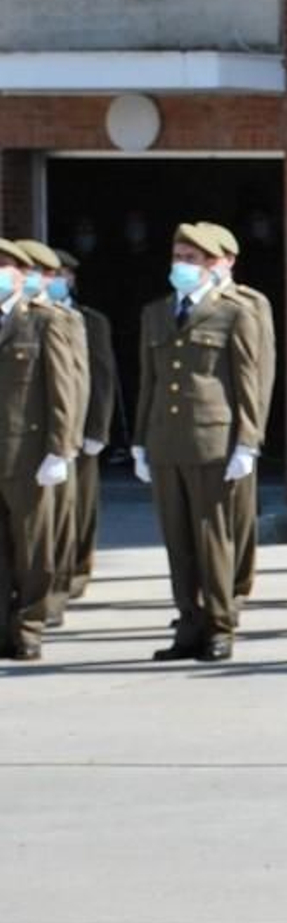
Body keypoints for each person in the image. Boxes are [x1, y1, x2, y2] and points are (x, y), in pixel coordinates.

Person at [132, 223, 266, 663]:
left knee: (213, 539)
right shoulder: (156, 313)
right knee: (178, 540)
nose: (181, 266)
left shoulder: (234, 312)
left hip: (214, 441)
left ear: (212, 264)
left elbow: (248, 382)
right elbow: (150, 382)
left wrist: (247, 442)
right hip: (165, 441)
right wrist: (139, 441)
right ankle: (188, 624)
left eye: (191, 259)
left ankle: (219, 625)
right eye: (178, 257)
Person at [0, 236, 83, 662]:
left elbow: (62, 389)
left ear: (21, 275)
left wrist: (60, 448)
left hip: (27, 452)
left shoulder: (44, 321)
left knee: (33, 546)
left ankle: (29, 624)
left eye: (4, 266)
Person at [198, 222, 276, 621]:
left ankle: (234, 591)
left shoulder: (248, 304)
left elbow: (258, 372)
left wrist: (251, 433)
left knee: (236, 519)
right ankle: (206, 599)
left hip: (234, 426)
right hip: (198, 431)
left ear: (227, 260)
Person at [47, 249, 118, 600]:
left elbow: (103, 378)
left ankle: (78, 567)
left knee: (81, 502)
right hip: (44, 428)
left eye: (62, 274)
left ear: (72, 279)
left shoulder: (91, 321)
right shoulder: (29, 316)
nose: (55, 280)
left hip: (81, 425)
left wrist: (97, 430)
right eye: (50, 273)